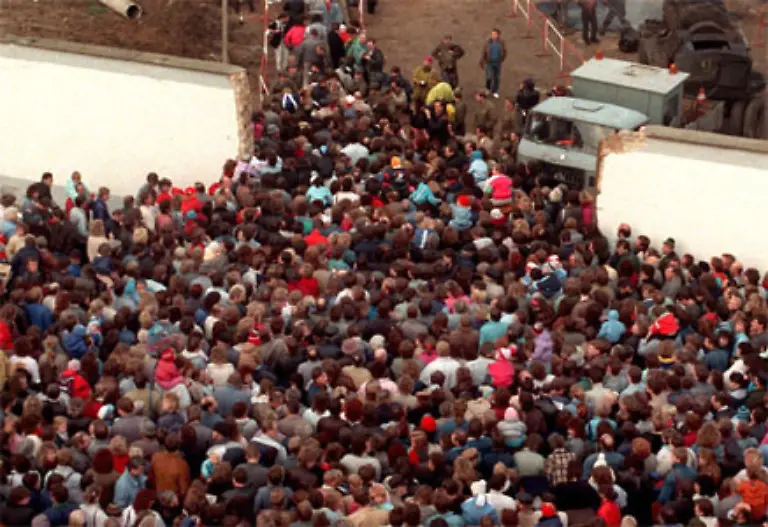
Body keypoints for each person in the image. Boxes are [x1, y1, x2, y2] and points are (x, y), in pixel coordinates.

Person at [480, 28, 506, 98]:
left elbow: (504, 51)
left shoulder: (501, 43)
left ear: (498, 35)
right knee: (489, 77)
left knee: (497, 78)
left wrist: (501, 59)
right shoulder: (488, 42)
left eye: (494, 34)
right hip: (489, 63)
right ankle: (487, 89)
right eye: (492, 34)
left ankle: (495, 91)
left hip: (497, 63)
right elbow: (483, 51)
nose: (493, 35)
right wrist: (482, 61)